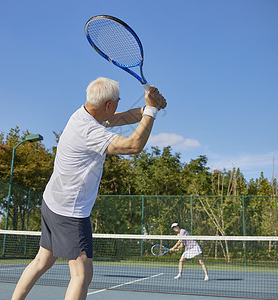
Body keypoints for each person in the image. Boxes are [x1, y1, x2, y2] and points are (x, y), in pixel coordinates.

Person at [11, 77, 167, 300]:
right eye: (117, 101)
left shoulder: (83, 114)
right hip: (69, 211)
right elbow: (133, 146)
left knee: (41, 261)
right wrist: (151, 110)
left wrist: (150, 106)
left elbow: (122, 117)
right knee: (82, 274)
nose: (118, 105)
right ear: (108, 105)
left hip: (52, 202)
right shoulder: (89, 131)